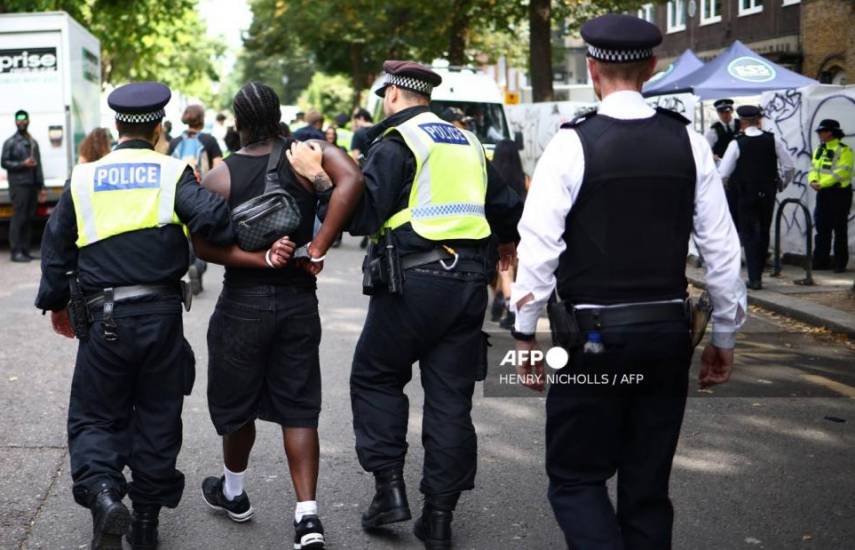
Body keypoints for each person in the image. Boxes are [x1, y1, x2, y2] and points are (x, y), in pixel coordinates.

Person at [511, 15, 746, 549]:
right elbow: (721, 251)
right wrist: (725, 337)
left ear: (592, 69)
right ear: (653, 67)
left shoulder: (571, 145)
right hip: (666, 334)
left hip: (592, 340)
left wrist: (524, 336)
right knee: (646, 487)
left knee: (576, 479)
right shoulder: (688, 143)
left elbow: (539, 248)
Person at [290, 60, 522, 549]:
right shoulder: (467, 142)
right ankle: (439, 516)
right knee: (450, 399)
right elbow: (505, 206)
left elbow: (362, 216)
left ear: (392, 94)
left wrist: (321, 179)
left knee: (375, 376)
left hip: (412, 283)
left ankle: (389, 490)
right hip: (467, 287)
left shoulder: (397, 143)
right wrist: (506, 243)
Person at [34, 82, 241, 550]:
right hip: (160, 316)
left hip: (102, 315)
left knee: (94, 416)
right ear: (158, 128)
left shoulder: (84, 177)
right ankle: (145, 523)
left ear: (116, 127)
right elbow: (214, 221)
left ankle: (106, 495)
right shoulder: (172, 173)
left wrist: (55, 301)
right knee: (158, 414)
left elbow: (56, 244)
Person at [193, 81, 363, 550]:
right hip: (297, 303)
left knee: (237, 405)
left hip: (241, 307)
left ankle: (233, 491)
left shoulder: (221, 176)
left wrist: (258, 260)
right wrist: (319, 245)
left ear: (240, 122)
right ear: (277, 117)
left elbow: (203, 245)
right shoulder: (309, 154)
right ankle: (307, 517)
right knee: (299, 406)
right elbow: (353, 180)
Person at [719, 105, 794, 290]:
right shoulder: (772, 140)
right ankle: (758, 273)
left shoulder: (737, 143)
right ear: (759, 120)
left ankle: (754, 278)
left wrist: (729, 188)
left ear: (742, 121)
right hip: (768, 193)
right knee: (764, 231)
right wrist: (781, 184)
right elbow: (789, 166)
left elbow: (723, 174)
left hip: (745, 194)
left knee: (750, 233)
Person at [169, 105, 224, 295]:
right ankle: (198, 267)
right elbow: (218, 170)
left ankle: (190, 264)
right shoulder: (209, 141)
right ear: (201, 119)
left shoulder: (175, 142)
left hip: (178, 193)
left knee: (184, 236)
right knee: (200, 235)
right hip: (201, 194)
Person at [489, 139, 528, 329]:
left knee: (505, 271)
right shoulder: (525, 179)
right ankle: (500, 303)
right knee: (508, 269)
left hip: (499, 230)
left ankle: (510, 309)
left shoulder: (493, 177)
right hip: (521, 230)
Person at [809, 119, 852, 272]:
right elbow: (813, 168)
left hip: (839, 193)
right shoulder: (819, 150)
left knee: (839, 229)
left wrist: (822, 183)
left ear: (832, 133)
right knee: (822, 228)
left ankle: (840, 263)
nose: (820, 134)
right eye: (820, 132)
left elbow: (842, 172)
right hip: (823, 193)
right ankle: (820, 261)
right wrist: (813, 180)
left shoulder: (844, 150)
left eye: (823, 131)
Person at [2, 109, 44, 262]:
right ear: (15, 122)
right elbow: (4, 162)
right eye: (18, 119)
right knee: (18, 218)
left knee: (28, 218)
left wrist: (41, 186)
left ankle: (25, 250)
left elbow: (39, 166)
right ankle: (16, 252)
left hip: (32, 185)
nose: (21, 121)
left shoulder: (33, 142)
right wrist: (22, 164)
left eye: (24, 119)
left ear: (28, 121)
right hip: (18, 186)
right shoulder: (10, 142)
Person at [706, 99, 739, 227]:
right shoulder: (713, 130)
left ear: (731, 111)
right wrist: (711, 156)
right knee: (727, 200)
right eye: (722, 112)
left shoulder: (739, 124)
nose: (726, 115)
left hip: (740, 168)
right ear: (718, 113)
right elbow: (706, 150)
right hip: (722, 169)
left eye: (728, 112)